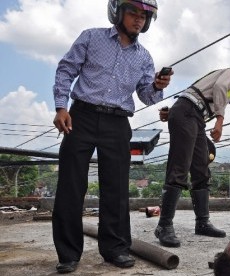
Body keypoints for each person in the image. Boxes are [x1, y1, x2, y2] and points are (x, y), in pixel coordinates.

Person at [52, 0, 171, 273]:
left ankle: (115, 249)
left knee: (116, 190)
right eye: (133, 13)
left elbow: (146, 96)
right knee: (71, 186)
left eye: (144, 16)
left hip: (117, 123)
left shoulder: (144, 57)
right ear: (117, 11)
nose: (138, 20)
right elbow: (66, 69)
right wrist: (61, 107)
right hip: (79, 116)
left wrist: (156, 85)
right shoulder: (91, 37)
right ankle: (68, 254)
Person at [155, 68, 230, 247]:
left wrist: (171, 114)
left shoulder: (223, 99)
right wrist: (220, 121)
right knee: (180, 167)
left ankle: (202, 222)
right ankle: (164, 225)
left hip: (195, 117)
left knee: (201, 167)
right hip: (187, 112)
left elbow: (201, 96)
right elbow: (220, 86)